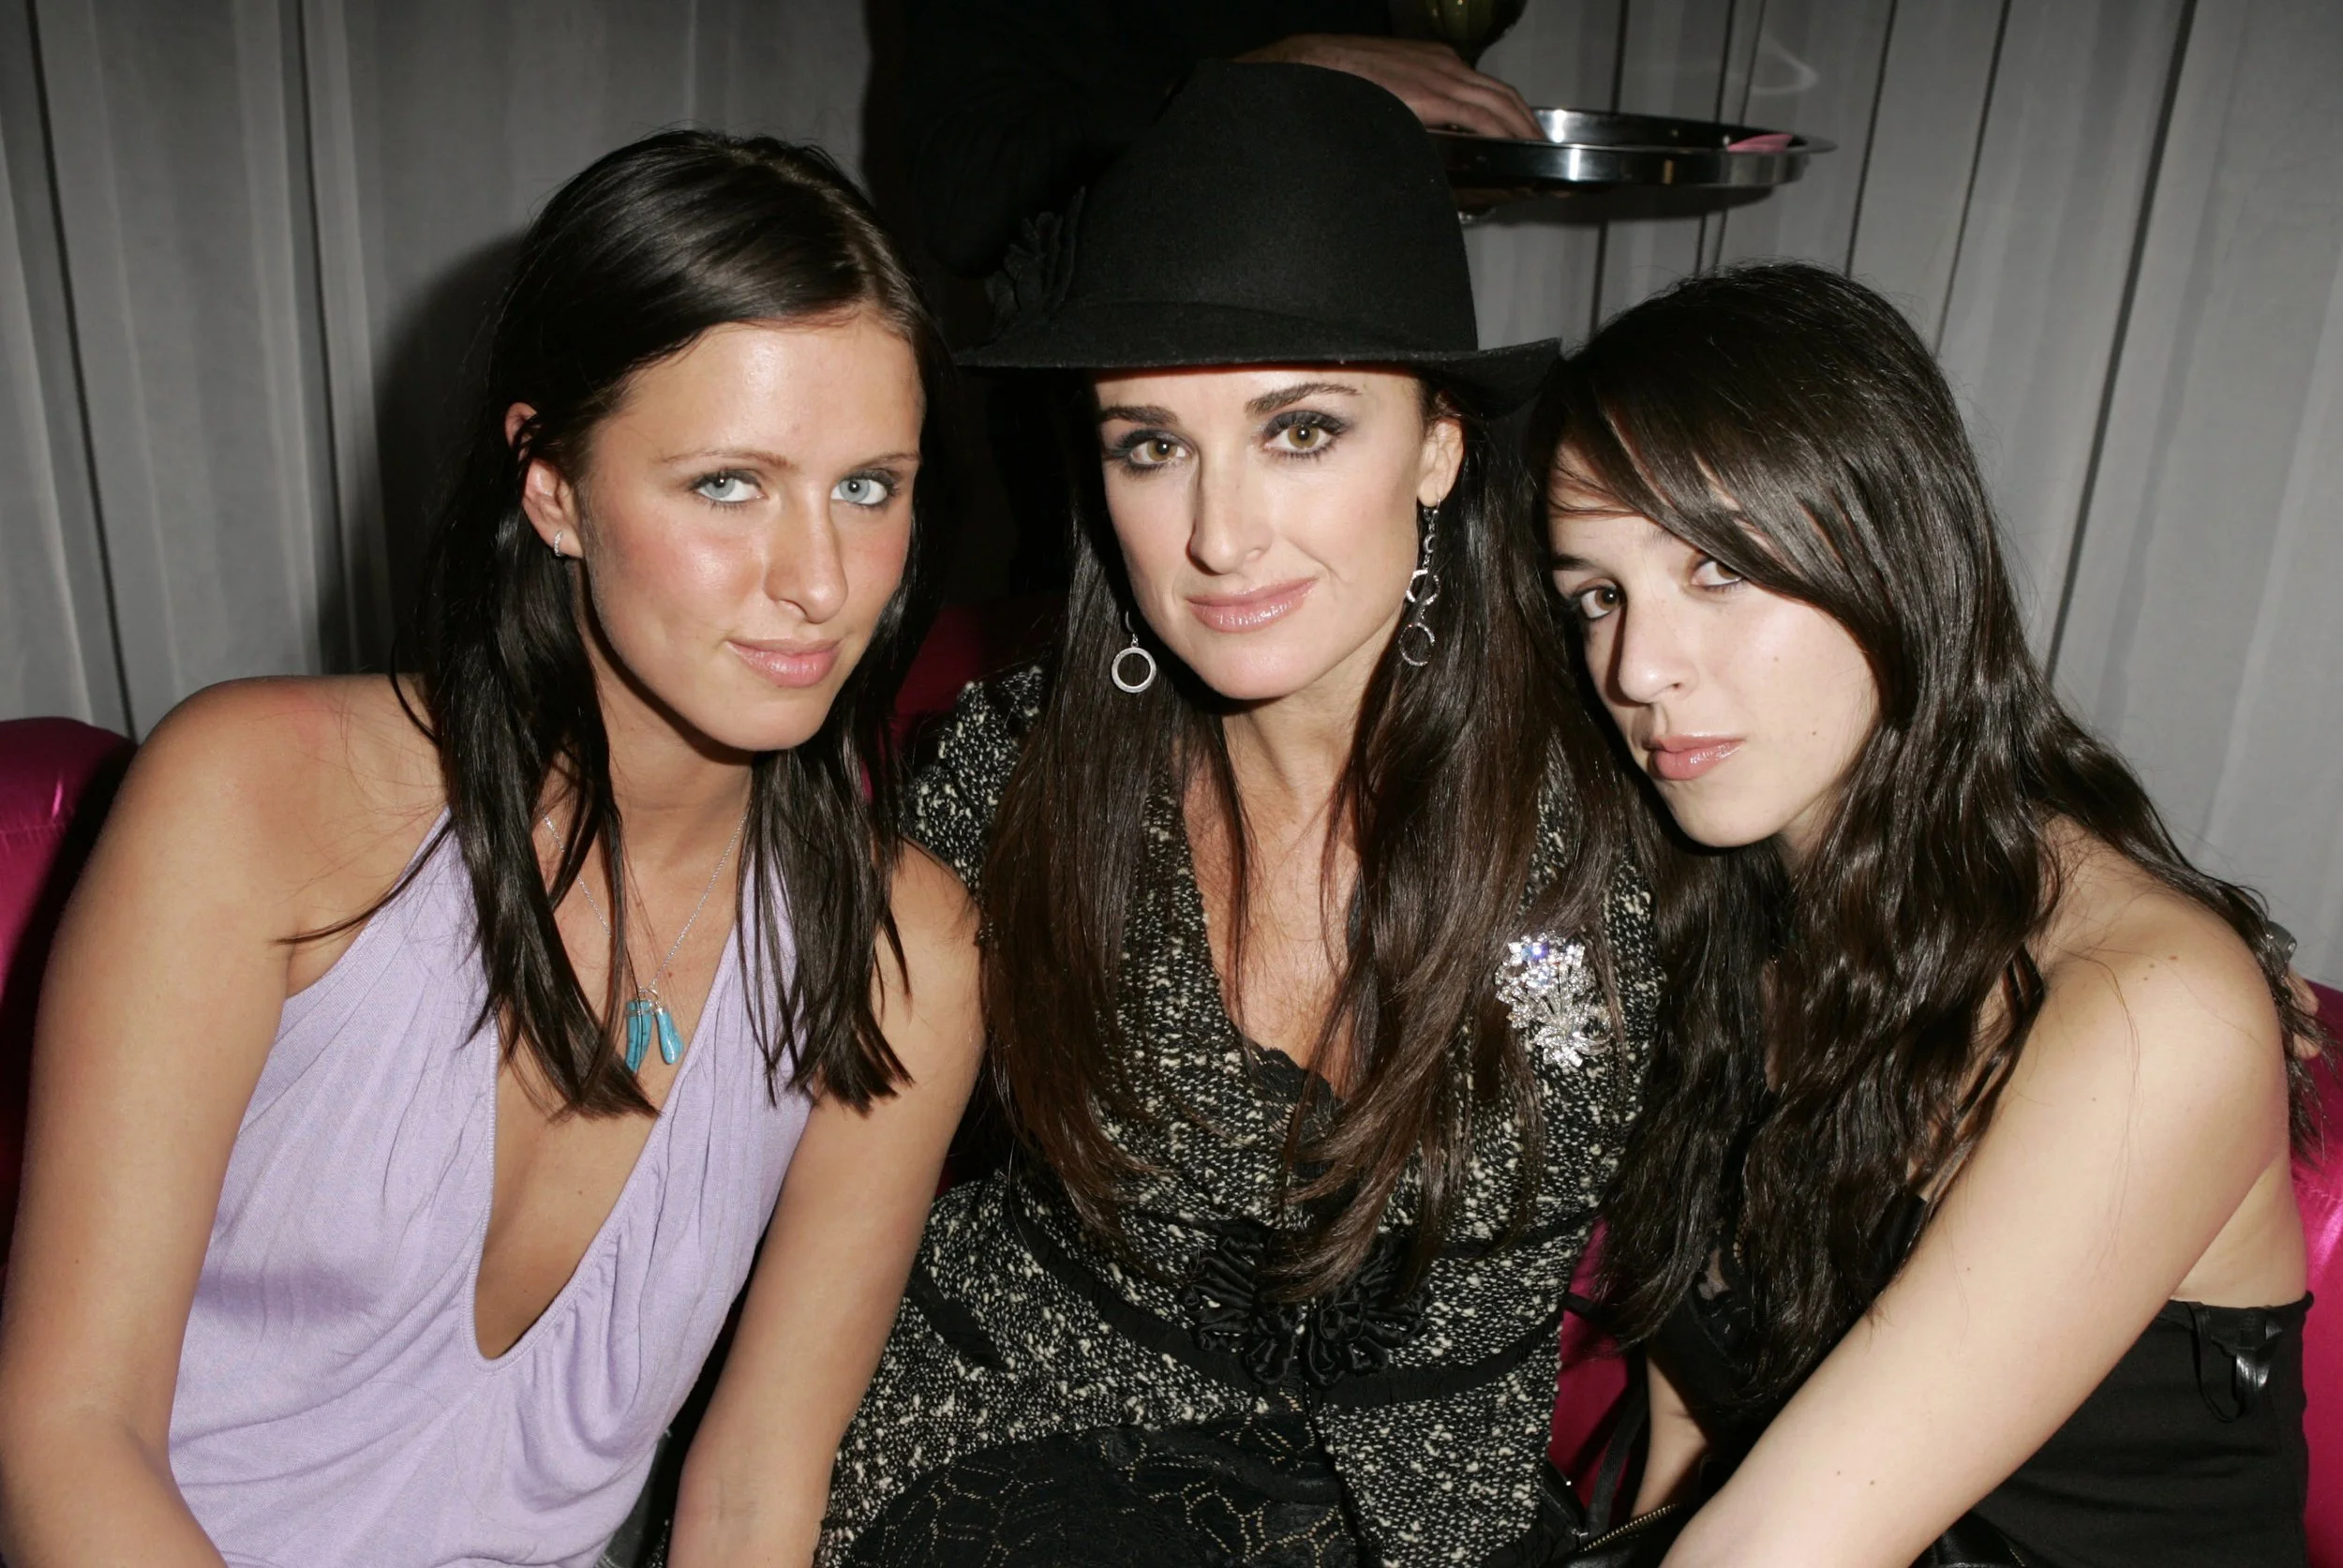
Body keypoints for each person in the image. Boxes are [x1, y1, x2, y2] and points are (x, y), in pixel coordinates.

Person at [0, 131, 982, 1568]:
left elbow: (752, 1489)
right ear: (552, 484)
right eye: (729, 484)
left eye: (868, 487)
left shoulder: (907, 954)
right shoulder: (259, 802)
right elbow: (68, 1437)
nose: (821, 582)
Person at [819, 63, 1661, 1568]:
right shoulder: (1014, 775)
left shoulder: (1625, 804)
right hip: (1004, 1452)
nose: (1217, 535)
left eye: (1301, 431)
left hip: (1430, 1524)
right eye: (1151, 445)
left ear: (1441, 444)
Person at [1539, 261, 2321, 1568]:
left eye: (1718, 569)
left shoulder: (2149, 1008)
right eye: (1597, 596)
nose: (1639, 666)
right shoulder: (1727, 905)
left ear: (1895, 556)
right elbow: (1691, 1413)